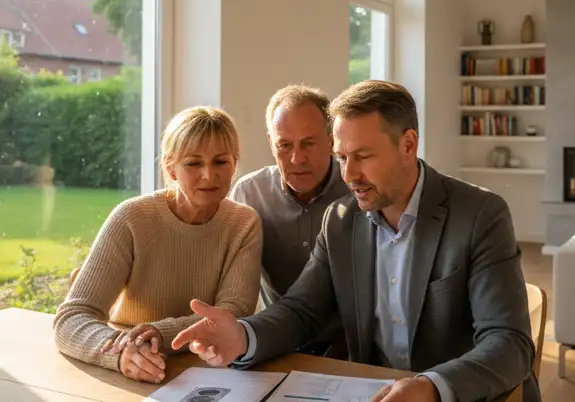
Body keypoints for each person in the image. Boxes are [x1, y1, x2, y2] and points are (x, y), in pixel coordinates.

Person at [172, 81, 541, 402]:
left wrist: (431, 386)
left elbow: (510, 343)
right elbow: (301, 310)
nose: (349, 175)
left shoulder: (480, 215)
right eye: (342, 157)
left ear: (408, 144)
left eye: (363, 156)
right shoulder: (341, 219)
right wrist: (243, 335)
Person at [52, 106, 263, 384]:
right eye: (193, 163)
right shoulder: (131, 218)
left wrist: (159, 333)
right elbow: (72, 317)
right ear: (170, 168)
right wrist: (122, 351)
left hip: (205, 372)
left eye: (221, 162)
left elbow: (234, 313)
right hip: (127, 372)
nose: (209, 175)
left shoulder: (244, 223)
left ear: (234, 164)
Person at [229, 84, 349, 356]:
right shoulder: (250, 193)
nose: (297, 158)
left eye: (309, 143)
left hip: (348, 346)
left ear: (331, 140)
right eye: (284, 145)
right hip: (277, 343)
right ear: (271, 142)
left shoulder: (357, 191)